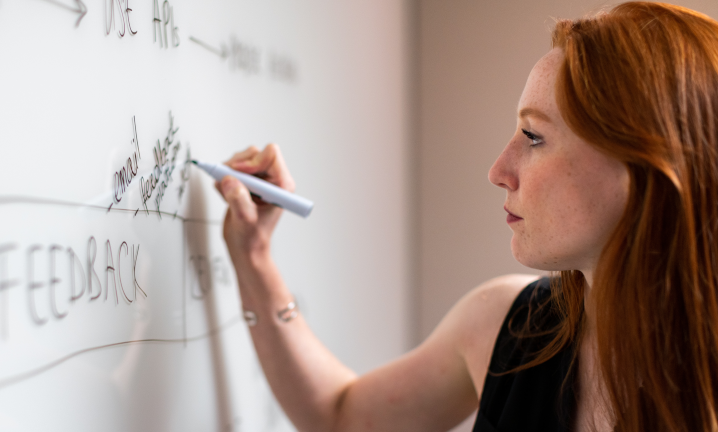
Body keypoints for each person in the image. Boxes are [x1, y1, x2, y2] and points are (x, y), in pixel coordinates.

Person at [214, 2, 718, 431]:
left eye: (535, 137)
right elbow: (340, 415)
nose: (499, 170)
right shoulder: (508, 326)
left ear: (644, 166)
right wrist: (254, 258)